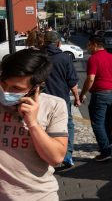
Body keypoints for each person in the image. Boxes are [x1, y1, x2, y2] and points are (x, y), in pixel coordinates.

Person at [0, 49, 68, 200]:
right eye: (3, 83)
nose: (6, 91)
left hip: (38, 196)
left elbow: (56, 157)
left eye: (16, 88)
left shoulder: (54, 106)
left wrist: (33, 123)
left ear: (36, 87)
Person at [41, 31, 81, 169]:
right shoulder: (64, 58)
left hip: (41, 99)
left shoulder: (38, 56)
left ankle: (46, 155)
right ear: (58, 43)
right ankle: (67, 155)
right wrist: (77, 98)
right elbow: (72, 81)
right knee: (67, 124)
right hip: (61, 99)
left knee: (43, 126)